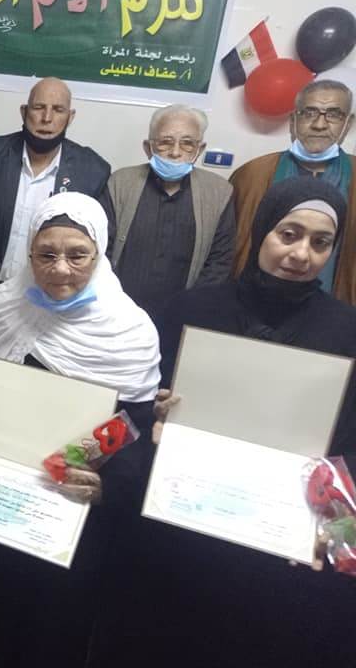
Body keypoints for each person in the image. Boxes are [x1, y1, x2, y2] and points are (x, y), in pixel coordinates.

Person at [126, 176, 356, 667]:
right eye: (288, 234)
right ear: (262, 229)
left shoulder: (347, 331)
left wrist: (338, 522)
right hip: (186, 531)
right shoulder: (193, 309)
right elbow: (137, 408)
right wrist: (157, 414)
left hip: (281, 544)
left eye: (321, 243)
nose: (301, 254)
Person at [0, 191, 160, 667]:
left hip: (67, 512)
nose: (60, 269)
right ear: (28, 253)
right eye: (46, 254)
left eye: (78, 255)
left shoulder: (130, 330)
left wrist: (100, 480)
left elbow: (132, 429)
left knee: (45, 636)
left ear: (99, 254)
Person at [0, 77, 113, 310]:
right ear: (24, 112)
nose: (46, 118)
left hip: (49, 298)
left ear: (70, 117)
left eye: (58, 110)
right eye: (39, 107)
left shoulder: (92, 171)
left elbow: (101, 246)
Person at [230, 79, 356, 303]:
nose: (319, 124)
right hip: (254, 304)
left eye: (333, 114)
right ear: (292, 121)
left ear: (348, 123)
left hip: (333, 309)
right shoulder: (251, 175)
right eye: (309, 113)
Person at [108, 104, 234, 319]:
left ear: (200, 149)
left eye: (187, 143)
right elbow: (101, 248)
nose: (175, 152)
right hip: (118, 310)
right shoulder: (120, 183)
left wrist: (191, 309)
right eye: (165, 142)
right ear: (148, 147)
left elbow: (219, 262)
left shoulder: (219, 192)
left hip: (182, 315)